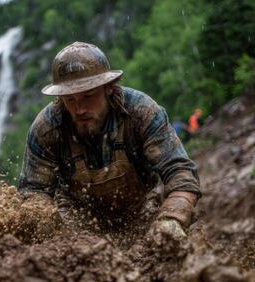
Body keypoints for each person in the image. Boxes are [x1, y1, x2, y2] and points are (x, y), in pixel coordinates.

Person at [18, 42, 200, 240]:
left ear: (109, 88)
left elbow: (180, 171)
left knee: (166, 242)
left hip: (142, 210)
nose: (79, 109)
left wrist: (173, 217)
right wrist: (53, 234)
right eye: (70, 100)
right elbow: (33, 191)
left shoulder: (142, 113)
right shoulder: (46, 129)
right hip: (75, 219)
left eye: (88, 96)